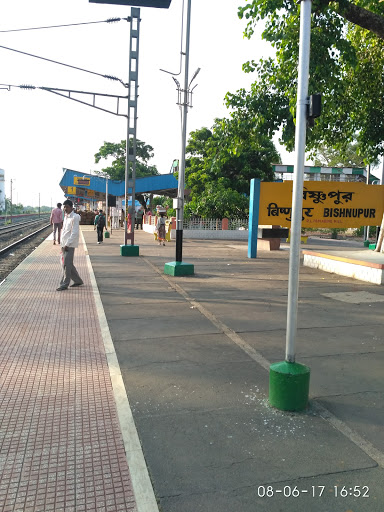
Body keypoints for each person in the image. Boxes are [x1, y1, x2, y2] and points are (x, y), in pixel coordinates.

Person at [57, 199, 83, 291]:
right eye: (64, 207)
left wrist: (67, 244)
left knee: (66, 265)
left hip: (69, 245)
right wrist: (62, 243)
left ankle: (64, 284)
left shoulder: (75, 217)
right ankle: (78, 280)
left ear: (72, 207)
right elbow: (64, 231)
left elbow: (74, 232)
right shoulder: (66, 217)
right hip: (64, 244)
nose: (65, 208)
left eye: (67, 207)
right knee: (68, 264)